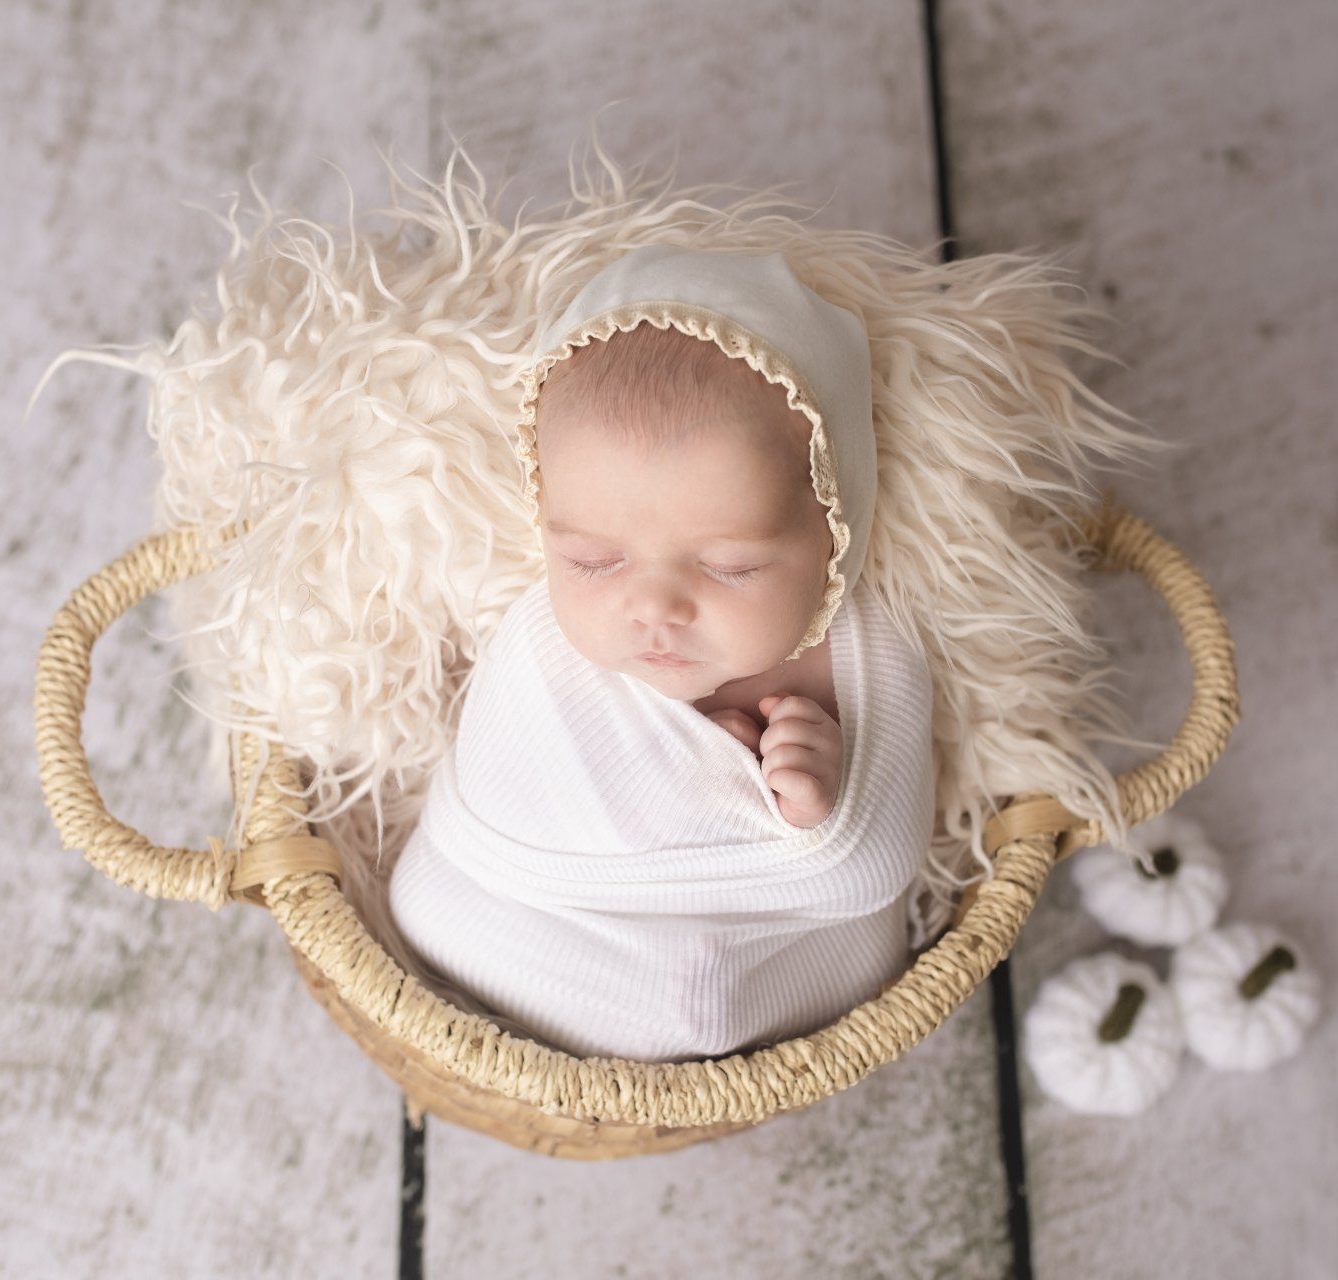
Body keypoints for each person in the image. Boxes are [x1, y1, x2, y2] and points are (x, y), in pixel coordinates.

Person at [386, 244, 938, 1063]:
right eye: (592, 560)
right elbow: (500, 803)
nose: (653, 609)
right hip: (527, 925)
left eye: (731, 567)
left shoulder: (875, 652)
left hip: (778, 955)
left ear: (835, 526)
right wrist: (693, 788)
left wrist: (820, 806)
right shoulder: (539, 649)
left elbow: (878, 858)